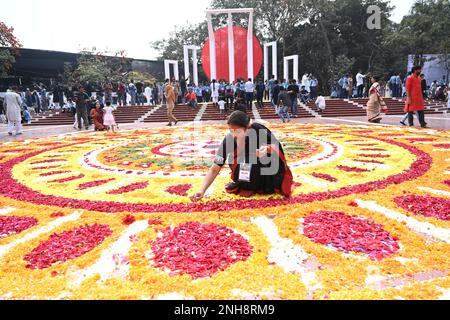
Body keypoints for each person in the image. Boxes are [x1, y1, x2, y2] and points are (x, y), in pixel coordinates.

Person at [190, 111, 293, 201]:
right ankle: (245, 183)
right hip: (244, 175)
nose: (234, 134)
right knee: (246, 161)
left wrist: (267, 150)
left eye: (237, 131)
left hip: (266, 176)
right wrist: (202, 190)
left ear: (247, 128)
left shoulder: (258, 130)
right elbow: (215, 168)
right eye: (231, 130)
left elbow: (277, 148)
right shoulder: (229, 139)